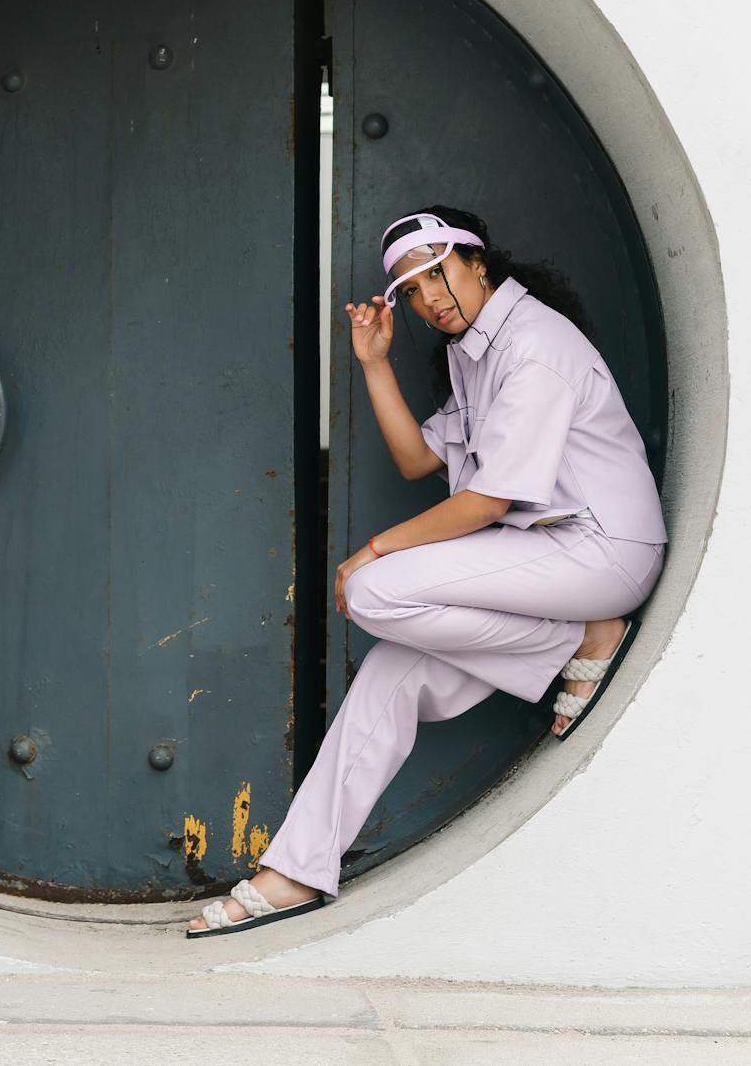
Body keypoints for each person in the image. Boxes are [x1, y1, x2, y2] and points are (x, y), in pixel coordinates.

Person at [185, 206, 668, 938]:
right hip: (549, 566)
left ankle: (581, 635)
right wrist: (375, 362)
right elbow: (420, 459)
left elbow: (487, 501)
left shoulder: (534, 344)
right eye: (410, 288)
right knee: (392, 674)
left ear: (479, 261)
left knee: (375, 589)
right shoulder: (475, 351)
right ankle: (296, 870)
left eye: (439, 270)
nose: (429, 295)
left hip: (601, 550)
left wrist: (376, 549)